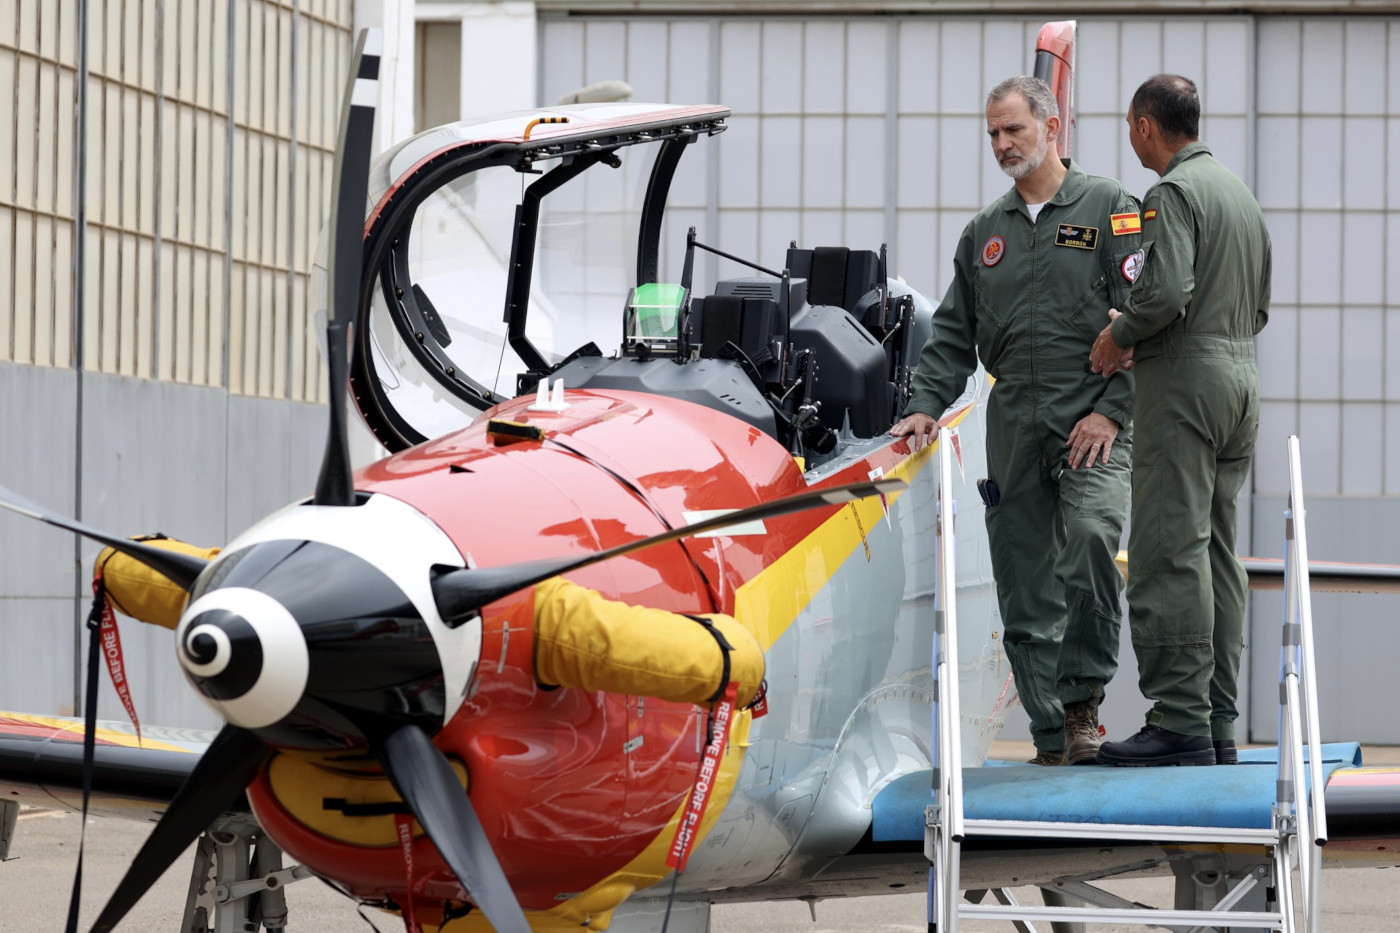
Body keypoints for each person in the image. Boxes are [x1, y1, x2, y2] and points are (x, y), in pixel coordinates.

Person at [892, 75, 1141, 766]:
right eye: (994, 134)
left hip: (1091, 411)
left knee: (1092, 537)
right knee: (1023, 582)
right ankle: (1052, 730)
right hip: (1014, 417)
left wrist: (1112, 414)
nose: (1002, 144)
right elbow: (952, 335)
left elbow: (1147, 323)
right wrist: (922, 405)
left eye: (1015, 131)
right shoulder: (984, 235)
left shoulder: (1109, 209)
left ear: (1051, 128)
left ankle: (1084, 697)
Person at [1090, 75, 1272, 767]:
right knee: (1219, 551)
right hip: (1240, 381)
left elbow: (1164, 290)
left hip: (1184, 385)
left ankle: (1178, 718)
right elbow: (1257, 308)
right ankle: (1219, 719)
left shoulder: (1171, 194)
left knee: (1169, 545)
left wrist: (1122, 334)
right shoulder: (1240, 196)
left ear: (1145, 126)